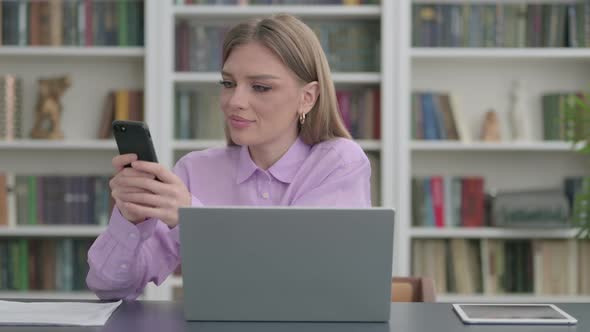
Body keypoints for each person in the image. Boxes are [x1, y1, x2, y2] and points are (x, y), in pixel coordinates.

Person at [87, 14, 372, 300]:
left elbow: (298, 281)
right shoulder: (195, 170)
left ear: (308, 97)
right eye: (228, 83)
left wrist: (191, 218)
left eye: (260, 87)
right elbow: (110, 288)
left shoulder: (338, 163)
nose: (234, 102)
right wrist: (129, 218)